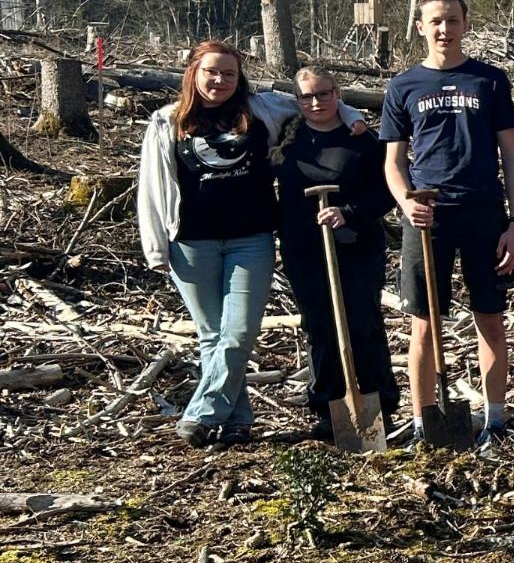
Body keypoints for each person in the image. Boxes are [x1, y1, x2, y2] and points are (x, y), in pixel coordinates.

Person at [139, 41, 354, 446]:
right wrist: (155, 248)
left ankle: (201, 414)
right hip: (190, 244)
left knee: (238, 333)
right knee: (212, 335)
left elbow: (315, 103)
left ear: (240, 79)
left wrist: (353, 113)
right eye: (211, 72)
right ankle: (237, 420)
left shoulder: (261, 111)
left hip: (250, 238)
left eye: (229, 74)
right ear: (193, 73)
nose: (219, 80)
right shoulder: (167, 122)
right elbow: (151, 189)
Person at [382, 0, 514, 449]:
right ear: (421, 27)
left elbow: (511, 155)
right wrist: (406, 201)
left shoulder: (489, 80)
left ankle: (496, 418)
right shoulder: (403, 85)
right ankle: (426, 419)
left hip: (484, 214)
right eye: (436, 22)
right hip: (427, 220)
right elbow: (393, 162)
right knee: (424, 324)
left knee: (490, 317)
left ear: (465, 25)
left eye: (453, 20)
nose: (445, 30)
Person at [271, 64, 398, 441]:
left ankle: (379, 407)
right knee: (320, 327)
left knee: (363, 324)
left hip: (357, 246)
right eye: (307, 96)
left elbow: (387, 190)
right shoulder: (286, 139)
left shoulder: (362, 140)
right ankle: (328, 408)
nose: (315, 102)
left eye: (324, 94)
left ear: (337, 94)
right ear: (296, 101)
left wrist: (350, 213)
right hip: (304, 249)